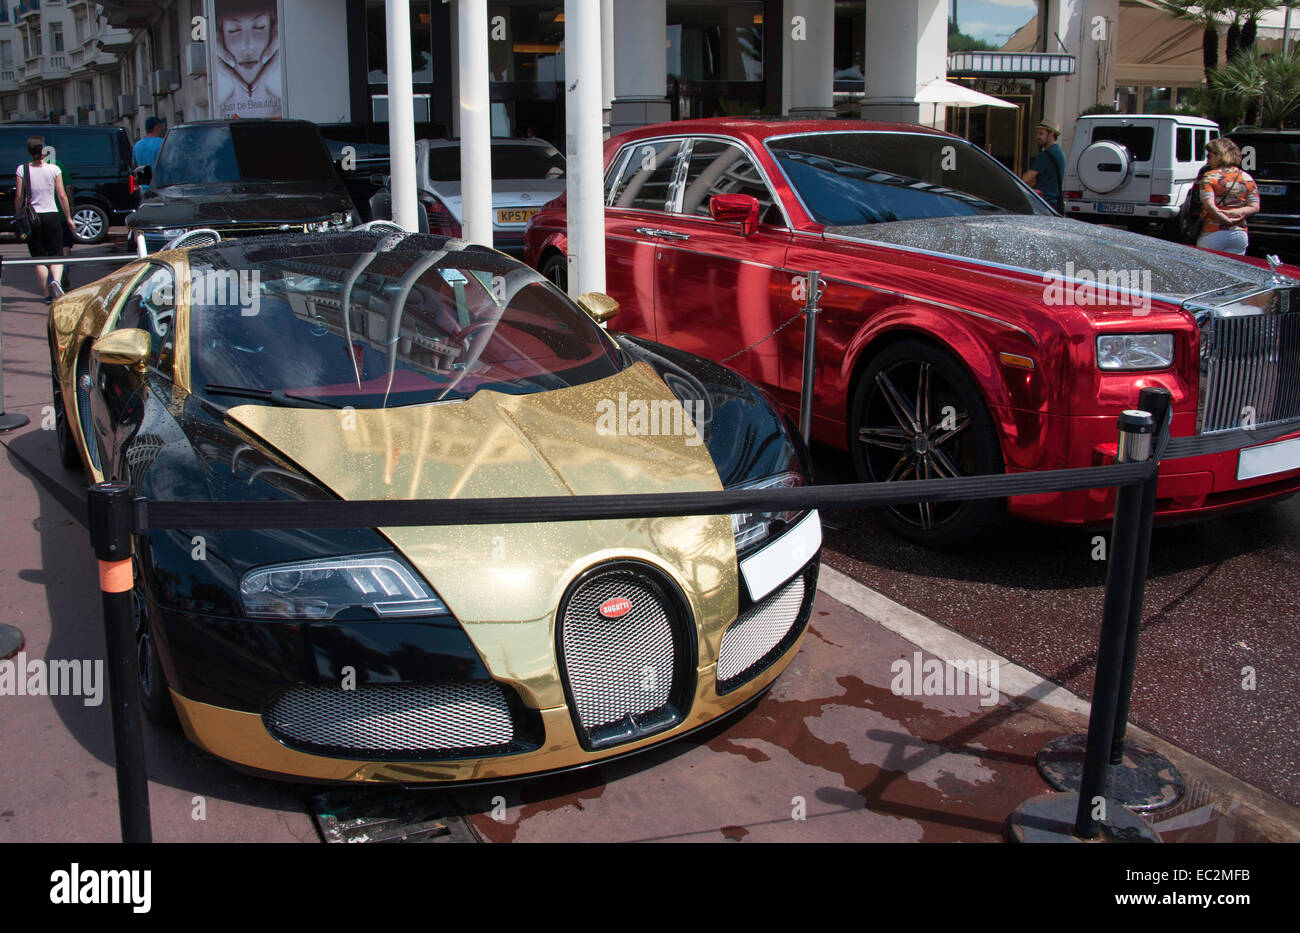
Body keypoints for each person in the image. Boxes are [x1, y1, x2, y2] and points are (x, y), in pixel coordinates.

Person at [13, 136, 76, 303]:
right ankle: (56, 280)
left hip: (33, 217)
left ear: (29, 151)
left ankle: (46, 294)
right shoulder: (54, 169)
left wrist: (18, 214)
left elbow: (19, 196)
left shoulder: (22, 169)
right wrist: (69, 218)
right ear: (44, 151)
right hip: (52, 215)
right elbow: (62, 196)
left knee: (39, 257)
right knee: (56, 254)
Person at [1196, 137, 1259, 255]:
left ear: (1220, 155)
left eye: (1209, 156)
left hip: (1213, 232)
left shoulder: (1209, 177)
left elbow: (1209, 206)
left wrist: (1224, 219)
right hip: (1240, 234)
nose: (1208, 161)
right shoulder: (1247, 177)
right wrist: (1233, 214)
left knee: (1207, 270)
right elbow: (1255, 207)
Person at [1021, 119, 1066, 213]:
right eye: (1037, 133)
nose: (1037, 137)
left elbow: (1025, 179)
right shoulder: (1059, 152)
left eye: (1041, 133)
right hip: (1054, 203)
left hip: (1044, 203)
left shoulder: (1046, 155)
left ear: (1051, 135)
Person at [132, 116, 166, 189]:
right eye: (161, 127)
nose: (163, 129)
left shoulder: (137, 146)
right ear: (156, 127)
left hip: (143, 190)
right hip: (160, 189)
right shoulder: (163, 143)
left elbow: (134, 166)